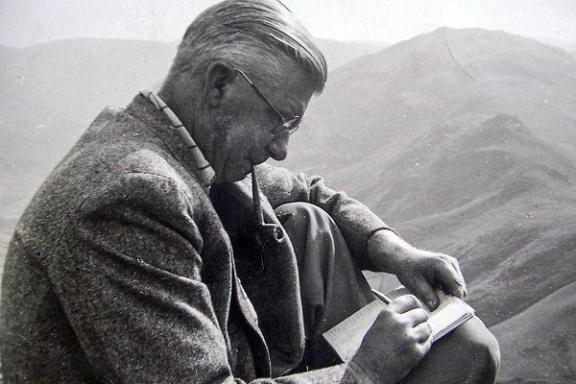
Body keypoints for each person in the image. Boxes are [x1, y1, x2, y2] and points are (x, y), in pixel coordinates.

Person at [0, 1, 499, 383]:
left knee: (307, 218)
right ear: (219, 86)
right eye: (281, 119)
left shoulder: (179, 148)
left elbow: (306, 190)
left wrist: (395, 251)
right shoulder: (133, 196)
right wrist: (365, 371)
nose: (282, 148)